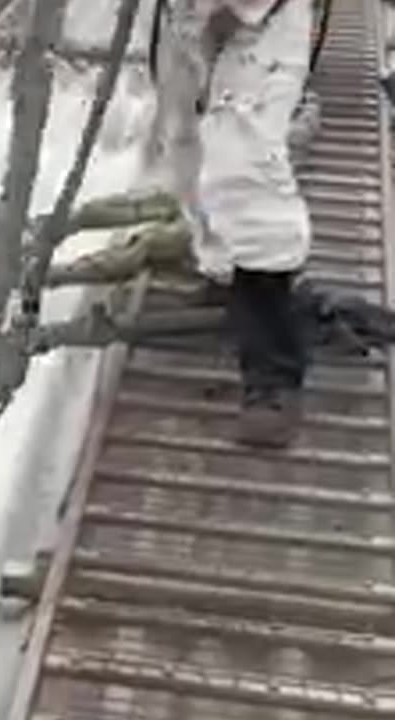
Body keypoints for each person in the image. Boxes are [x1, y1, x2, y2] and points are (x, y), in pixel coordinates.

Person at [149, 0, 315, 447]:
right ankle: (223, 270)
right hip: (183, 17)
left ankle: (273, 373)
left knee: (245, 171)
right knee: (185, 147)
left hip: (261, 22)